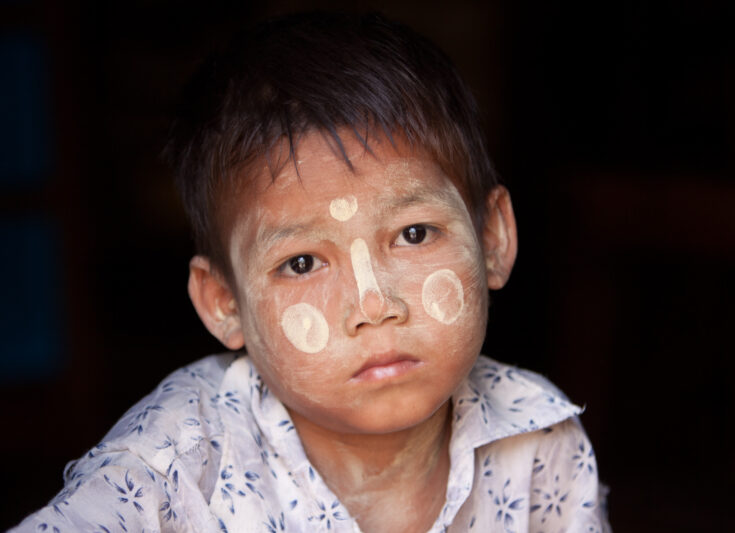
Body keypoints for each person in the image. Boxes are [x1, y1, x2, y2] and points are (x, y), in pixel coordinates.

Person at [12, 12, 609, 532]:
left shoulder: (538, 440)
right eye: (301, 263)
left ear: (492, 239)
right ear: (223, 302)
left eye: (414, 233)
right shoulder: (172, 471)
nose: (374, 306)